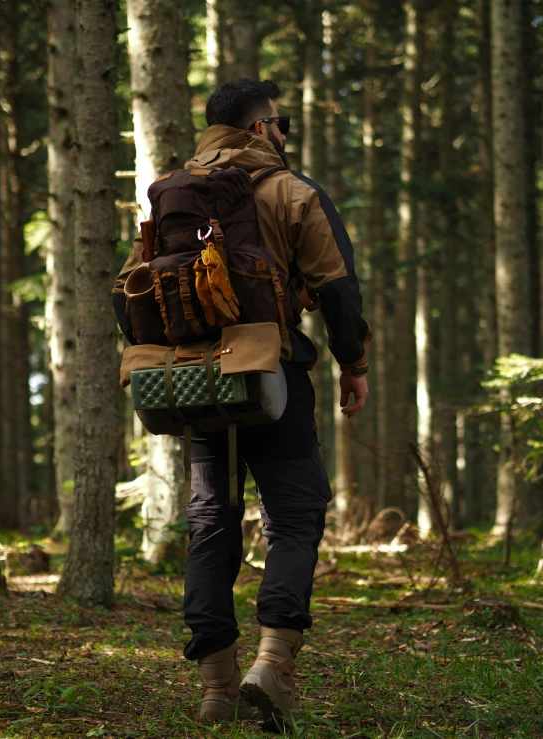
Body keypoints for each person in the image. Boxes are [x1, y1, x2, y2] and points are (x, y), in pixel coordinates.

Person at [112, 78, 371, 726]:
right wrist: (353, 365)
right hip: (272, 378)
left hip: (199, 386)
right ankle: (273, 664)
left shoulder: (172, 193)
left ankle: (216, 688)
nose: (285, 136)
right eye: (281, 125)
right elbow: (338, 291)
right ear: (261, 129)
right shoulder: (291, 192)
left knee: (210, 524)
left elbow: (126, 295)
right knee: (297, 511)